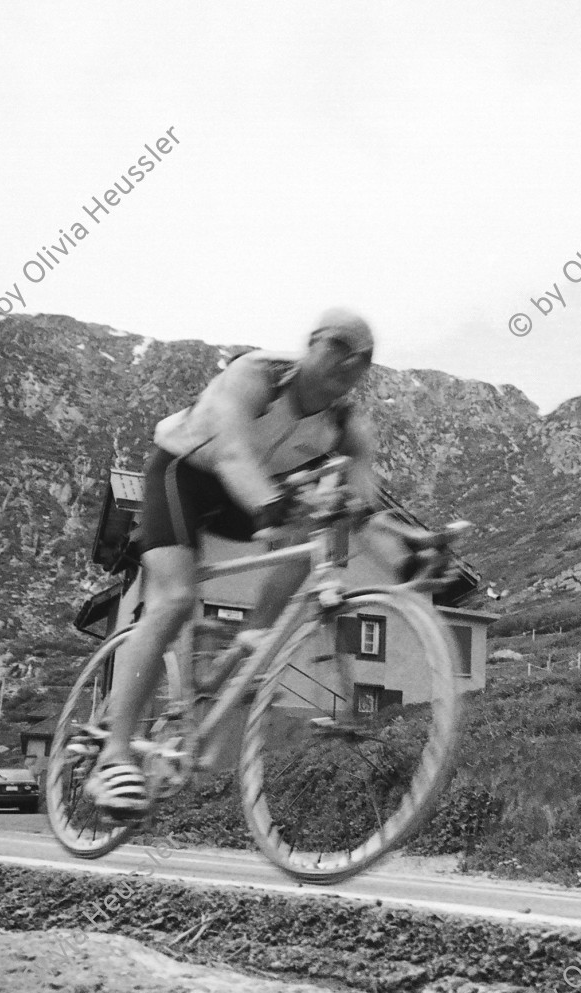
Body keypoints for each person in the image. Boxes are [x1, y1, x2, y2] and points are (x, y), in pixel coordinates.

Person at [87, 309, 384, 821]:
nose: (350, 361)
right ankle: (113, 755)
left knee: (312, 527)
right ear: (311, 344)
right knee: (175, 599)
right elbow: (229, 451)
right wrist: (268, 506)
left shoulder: (348, 425)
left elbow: (366, 505)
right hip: (188, 474)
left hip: (252, 498)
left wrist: (417, 552)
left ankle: (251, 635)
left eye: (364, 357)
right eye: (339, 345)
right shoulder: (257, 377)